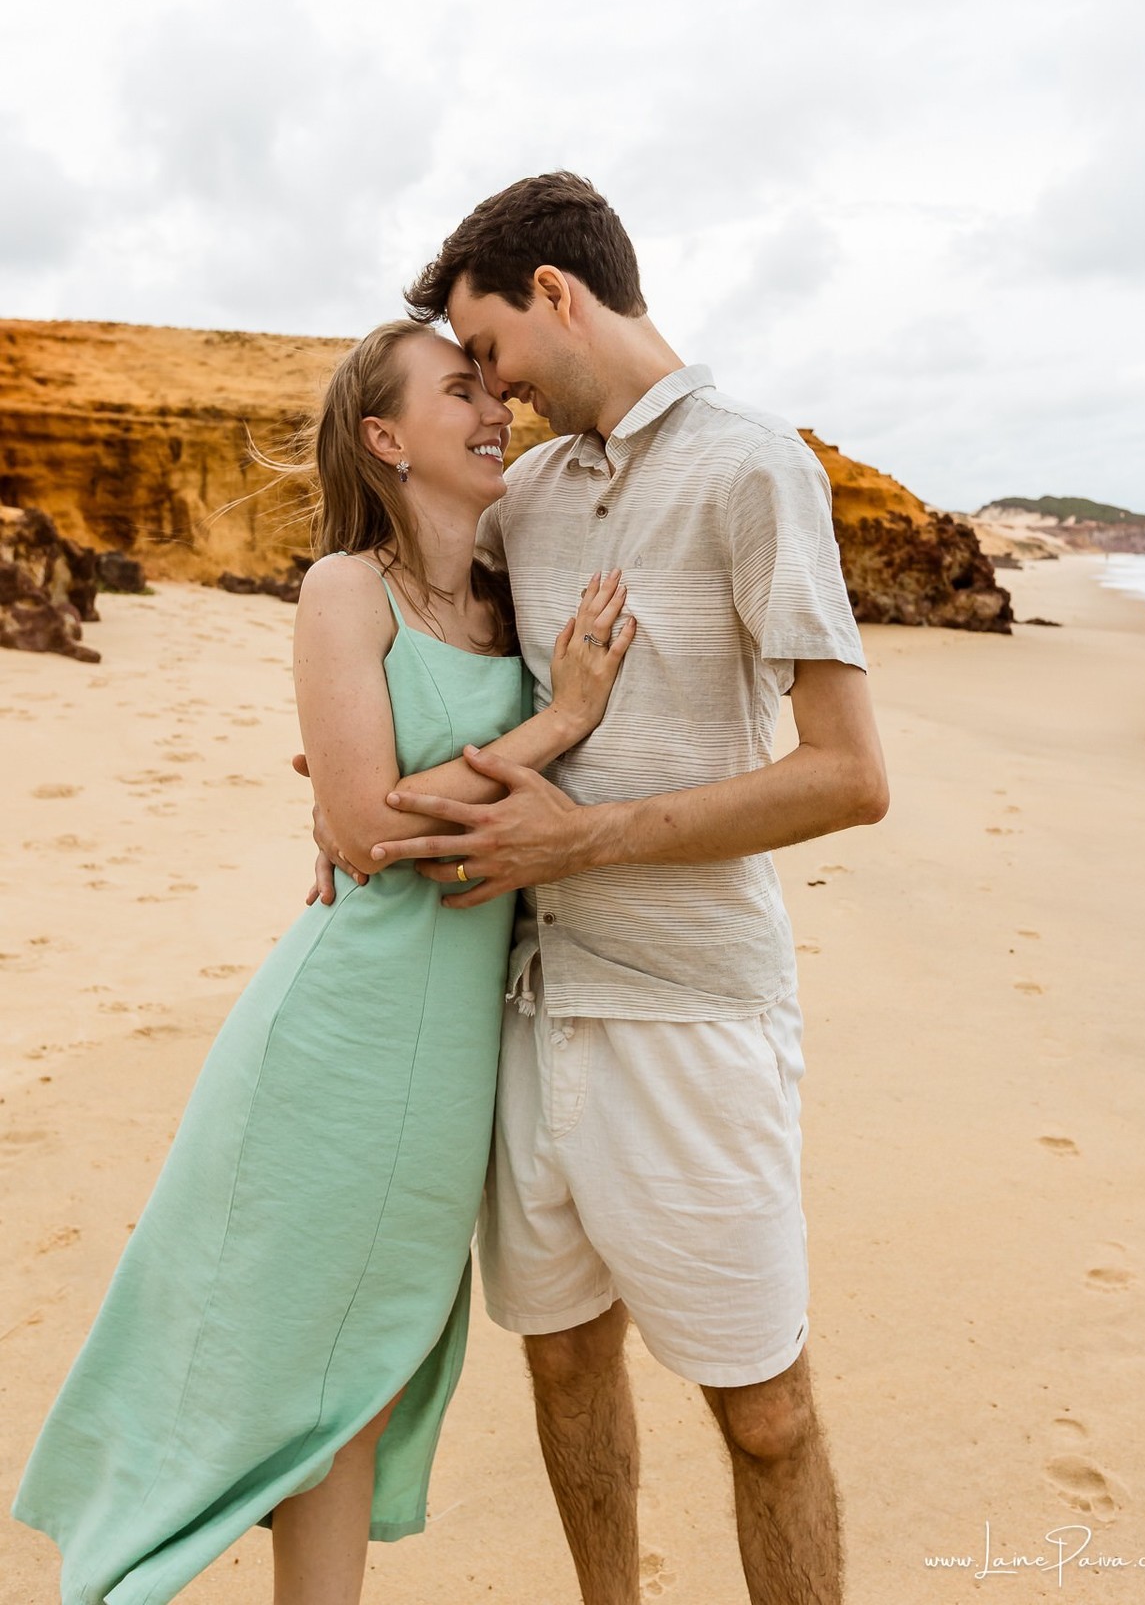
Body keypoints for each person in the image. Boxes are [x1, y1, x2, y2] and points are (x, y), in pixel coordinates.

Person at [307, 174, 890, 1605]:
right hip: (517, 1013)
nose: (489, 388)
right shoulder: (529, 498)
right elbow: (420, 649)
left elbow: (849, 776)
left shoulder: (758, 468)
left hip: (691, 1015)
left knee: (765, 1412)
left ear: (556, 293)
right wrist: (342, 782)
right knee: (565, 1370)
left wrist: (589, 840)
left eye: (488, 344)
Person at [11, 317, 635, 1605]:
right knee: (284, 1352)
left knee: (365, 1359)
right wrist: (559, 722)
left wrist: (442, 777)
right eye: (457, 391)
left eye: (489, 385)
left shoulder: (511, 603)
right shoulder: (346, 589)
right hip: (341, 1033)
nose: (492, 408)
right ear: (385, 438)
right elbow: (361, 825)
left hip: (453, 1053)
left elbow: (396, 801)